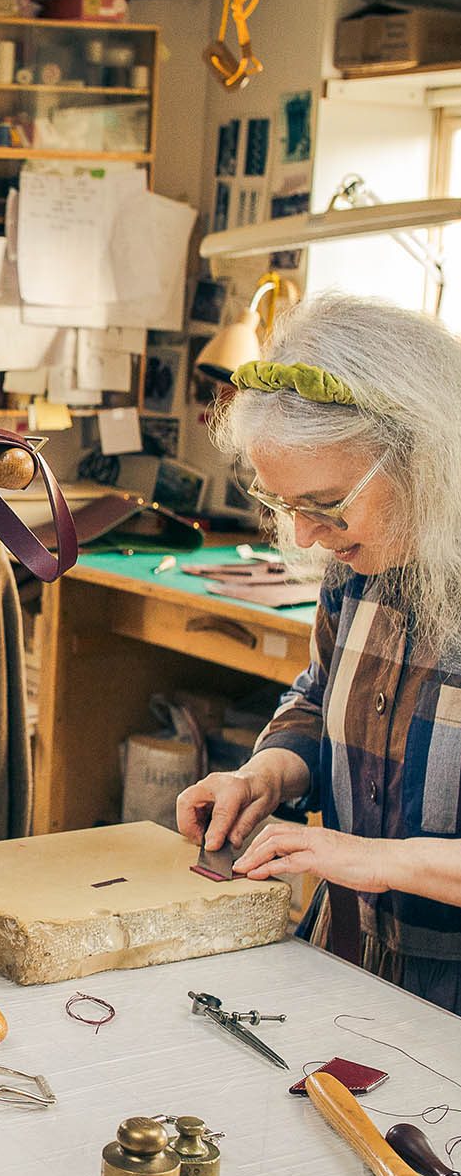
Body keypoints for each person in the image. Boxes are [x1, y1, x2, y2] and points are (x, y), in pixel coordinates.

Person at [175, 293, 461, 1013]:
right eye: (285, 506)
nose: (303, 537)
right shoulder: (355, 563)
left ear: (422, 458)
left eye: (325, 505)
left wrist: (374, 859)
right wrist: (266, 774)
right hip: (347, 955)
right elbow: (315, 694)